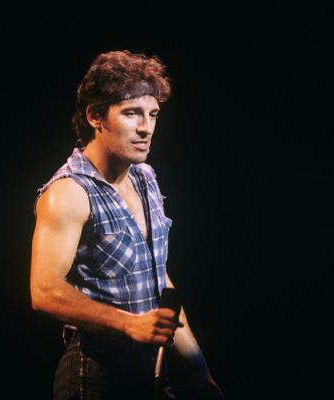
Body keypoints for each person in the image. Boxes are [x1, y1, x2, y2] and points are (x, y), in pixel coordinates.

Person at [30, 50, 223, 400]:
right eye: (132, 113)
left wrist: (198, 370)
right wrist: (130, 324)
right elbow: (44, 291)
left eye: (153, 114)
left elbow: (157, 276)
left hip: (151, 373)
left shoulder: (146, 178)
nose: (146, 127)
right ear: (95, 116)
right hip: (95, 375)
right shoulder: (69, 193)